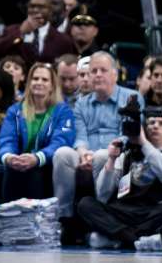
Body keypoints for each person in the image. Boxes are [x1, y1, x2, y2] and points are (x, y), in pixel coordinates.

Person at [77, 107, 162, 251]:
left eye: (161, 123)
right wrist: (111, 160)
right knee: (85, 203)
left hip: (151, 213)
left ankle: (117, 238)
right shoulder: (127, 154)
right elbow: (102, 195)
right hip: (121, 212)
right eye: (151, 123)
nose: (155, 126)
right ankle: (134, 239)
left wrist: (144, 144)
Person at [53, 52, 141, 225]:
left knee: (102, 155)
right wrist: (84, 152)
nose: (98, 74)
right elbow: (80, 135)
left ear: (115, 75)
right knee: (62, 154)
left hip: (120, 154)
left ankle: (102, 217)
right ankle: (64, 219)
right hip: (89, 153)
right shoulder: (81, 103)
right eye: (93, 71)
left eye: (103, 70)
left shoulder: (132, 98)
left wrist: (108, 151)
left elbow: (129, 134)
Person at [0, 63, 75, 203]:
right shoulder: (15, 110)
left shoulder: (63, 111)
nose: (39, 82)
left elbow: (61, 141)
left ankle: (36, 220)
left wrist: (38, 158)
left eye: (44, 80)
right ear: (29, 83)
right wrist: (9, 157)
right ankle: (8, 218)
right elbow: (6, 139)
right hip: (18, 164)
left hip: (46, 165)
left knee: (34, 171)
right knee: (8, 169)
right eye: (35, 78)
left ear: (52, 85)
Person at [0, 0, 75, 66]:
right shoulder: (11, 30)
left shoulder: (63, 40)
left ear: (50, 11)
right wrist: (21, 32)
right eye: (32, 6)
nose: (36, 10)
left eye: (41, 7)